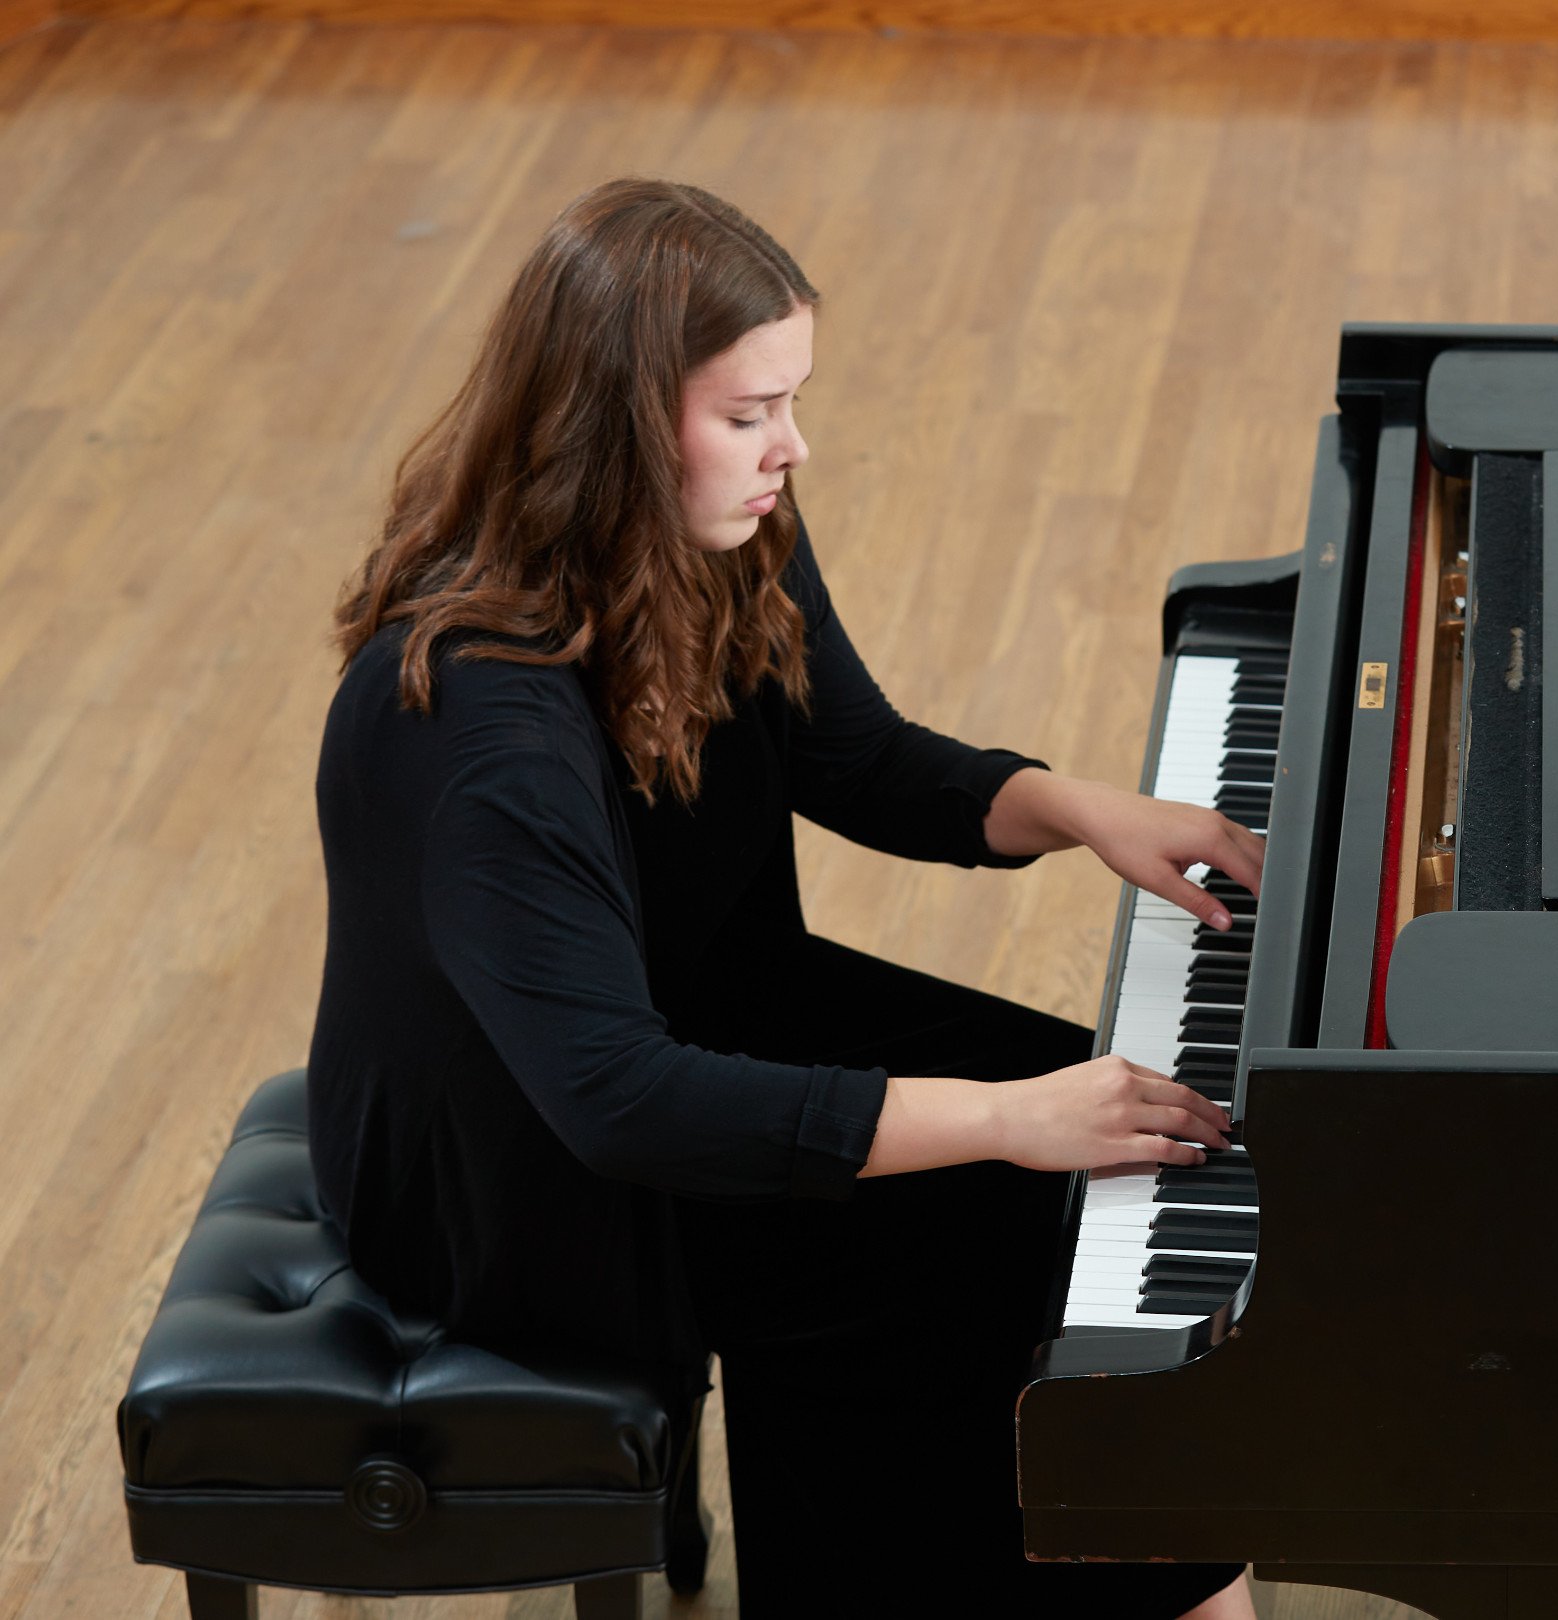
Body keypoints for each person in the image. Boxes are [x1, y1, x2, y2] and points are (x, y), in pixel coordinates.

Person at [305, 176, 1260, 1617]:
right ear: (622, 430)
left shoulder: (721, 534)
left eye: (791, 402)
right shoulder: (484, 735)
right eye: (750, 413)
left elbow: (856, 758)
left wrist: (1077, 809)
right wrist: (1002, 1119)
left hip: (705, 1007)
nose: (789, 448)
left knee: (1107, 1146)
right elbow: (623, 1104)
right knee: (979, 1230)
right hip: (525, 1179)